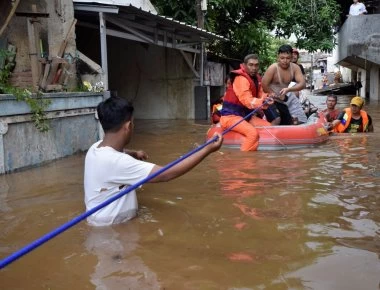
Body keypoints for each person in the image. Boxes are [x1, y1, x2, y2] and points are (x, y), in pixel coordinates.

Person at [84, 96, 223, 226]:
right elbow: (166, 174)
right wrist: (207, 150)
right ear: (127, 126)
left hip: (100, 223)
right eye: (133, 123)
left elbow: (117, 154)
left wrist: (134, 153)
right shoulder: (119, 163)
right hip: (116, 230)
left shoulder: (95, 148)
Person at [219, 54, 273, 151]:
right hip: (230, 117)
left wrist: (267, 100)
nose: (254, 68)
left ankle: (255, 149)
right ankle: (245, 163)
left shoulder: (257, 79)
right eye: (251, 65)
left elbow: (261, 96)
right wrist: (262, 101)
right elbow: (247, 101)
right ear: (244, 65)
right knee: (252, 134)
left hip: (245, 116)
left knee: (269, 127)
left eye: (256, 65)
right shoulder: (240, 78)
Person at [262, 44, 307, 125]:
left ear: (291, 57)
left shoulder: (295, 68)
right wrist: (273, 94)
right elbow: (264, 85)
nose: (285, 61)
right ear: (278, 57)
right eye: (282, 58)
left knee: (289, 123)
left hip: (282, 100)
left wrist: (289, 89)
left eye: (287, 58)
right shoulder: (273, 68)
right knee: (277, 119)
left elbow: (303, 84)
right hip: (269, 100)